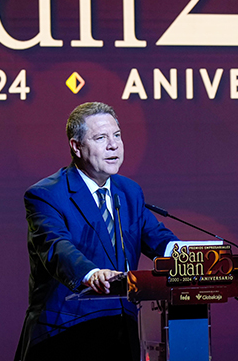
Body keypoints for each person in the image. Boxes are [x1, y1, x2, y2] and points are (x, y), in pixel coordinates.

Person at [15, 102, 177, 361]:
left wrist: (191, 256)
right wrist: (91, 274)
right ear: (76, 146)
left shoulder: (129, 191)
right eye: (101, 138)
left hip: (120, 334)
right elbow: (56, 247)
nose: (113, 145)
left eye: (117, 135)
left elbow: (158, 238)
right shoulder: (46, 194)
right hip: (65, 333)